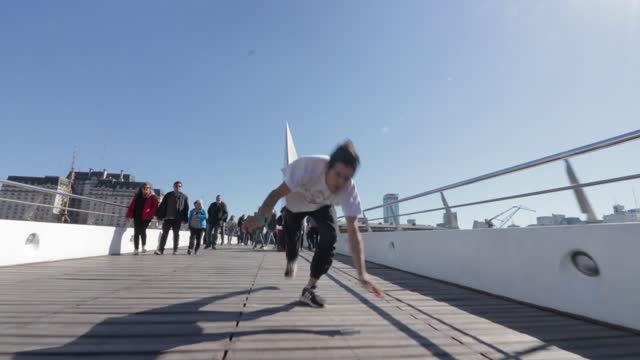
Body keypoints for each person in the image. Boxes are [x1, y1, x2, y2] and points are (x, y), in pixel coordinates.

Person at [243, 140, 383, 308]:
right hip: (295, 204)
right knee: (292, 238)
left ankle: (309, 289)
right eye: (338, 174)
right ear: (328, 167)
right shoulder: (307, 167)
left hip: (322, 205)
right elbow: (276, 194)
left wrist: (362, 273)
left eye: (347, 177)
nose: (341, 182)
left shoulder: (348, 190)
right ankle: (291, 259)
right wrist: (260, 217)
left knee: (330, 237)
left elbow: (354, 233)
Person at [155, 181, 189, 255]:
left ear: (181, 187)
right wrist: (159, 216)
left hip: (178, 219)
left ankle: (175, 250)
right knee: (164, 234)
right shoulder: (168, 195)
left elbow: (186, 209)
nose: (177, 187)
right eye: (176, 186)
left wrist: (185, 219)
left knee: (176, 234)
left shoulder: (184, 197)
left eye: (179, 186)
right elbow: (162, 206)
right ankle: (161, 250)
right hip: (167, 218)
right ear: (173, 187)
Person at [125, 182, 158, 255]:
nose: (145, 189)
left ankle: (143, 246)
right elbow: (132, 206)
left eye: (147, 188)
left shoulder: (152, 197)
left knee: (142, 230)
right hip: (137, 216)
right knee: (136, 232)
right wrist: (128, 215)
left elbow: (155, 207)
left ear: (150, 189)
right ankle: (136, 249)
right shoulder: (137, 196)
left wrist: (150, 214)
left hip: (147, 216)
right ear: (141, 189)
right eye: (144, 188)